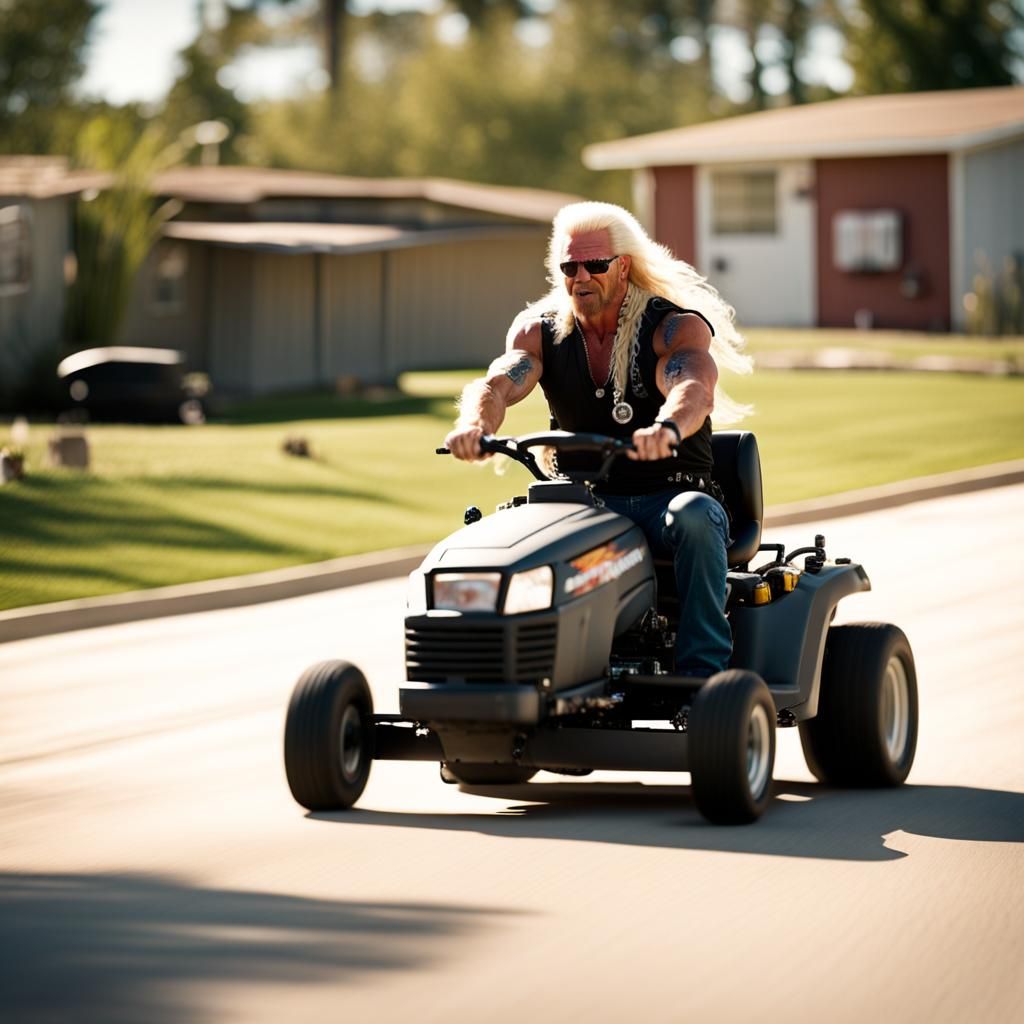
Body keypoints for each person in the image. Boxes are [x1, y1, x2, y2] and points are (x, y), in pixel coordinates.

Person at [445, 201, 751, 677]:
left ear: (623, 265)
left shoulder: (672, 327)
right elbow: (499, 384)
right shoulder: (538, 332)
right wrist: (474, 427)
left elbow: (693, 386)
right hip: (580, 500)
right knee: (507, 538)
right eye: (570, 266)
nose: (581, 276)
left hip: (665, 496)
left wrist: (667, 428)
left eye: (595, 264)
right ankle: (517, 671)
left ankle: (703, 676)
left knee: (696, 517)